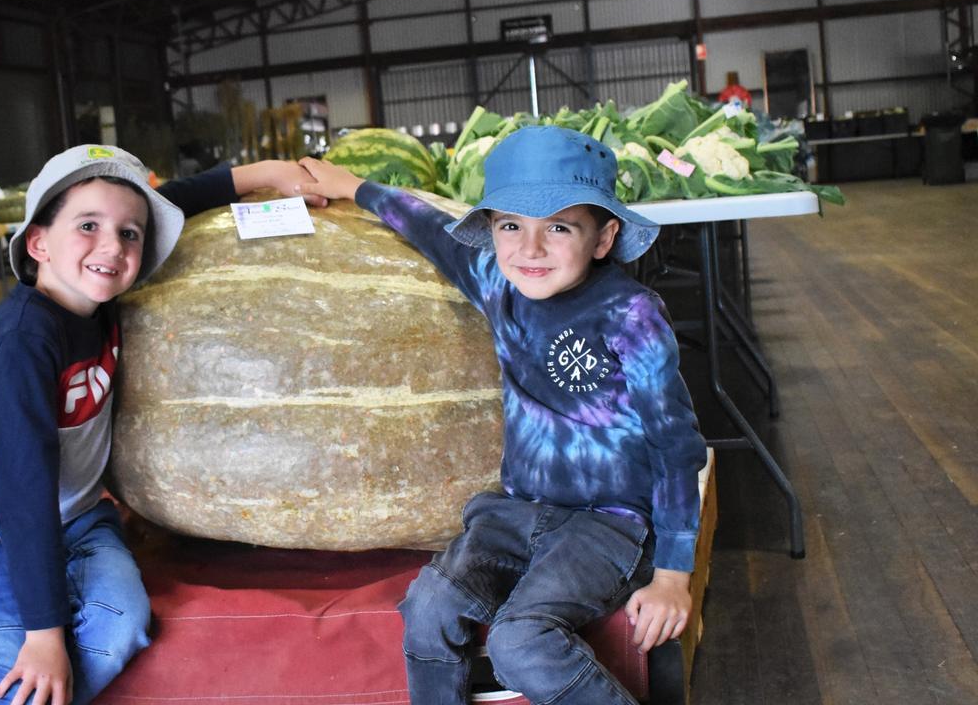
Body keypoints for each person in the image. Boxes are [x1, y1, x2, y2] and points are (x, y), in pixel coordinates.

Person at [296, 126, 706, 705]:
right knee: (428, 608)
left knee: (520, 640)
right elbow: (427, 226)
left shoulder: (630, 316)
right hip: (516, 509)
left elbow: (676, 445)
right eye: (510, 225)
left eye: (558, 227)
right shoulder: (496, 279)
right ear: (492, 231)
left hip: (609, 521)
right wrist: (352, 185)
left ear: (604, 237)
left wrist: (672, 576)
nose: (529, 248)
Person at [0, 144, 322, 705]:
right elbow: (21, 492)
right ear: (37, 242)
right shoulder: (23, 342)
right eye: (87, 226)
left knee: (119, 632)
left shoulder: (97, 295)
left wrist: (265, 173)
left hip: (83, 521)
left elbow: (168, 202)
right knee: (30, 685)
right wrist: (45, 634)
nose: (111, 246)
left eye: (130, 235)